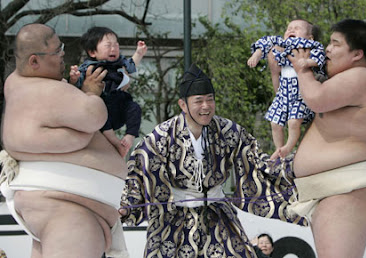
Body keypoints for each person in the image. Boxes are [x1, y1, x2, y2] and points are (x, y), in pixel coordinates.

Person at [119, 63, 307, 257]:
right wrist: (128, 206)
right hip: (174, 219)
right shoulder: (161, 136)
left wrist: (291, 166)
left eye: (210, 100)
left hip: (217, 214)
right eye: (198, 101)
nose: (206, 106)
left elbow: (256, 163)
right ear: (183, 105)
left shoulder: (228, 131)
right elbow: (140, 173)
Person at [0, 23, 129, 258]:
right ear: (34, 62)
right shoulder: (43, 90)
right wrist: (90, 92)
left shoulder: (18, 84)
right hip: (67, 210)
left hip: (53, 202)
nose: (63, 55)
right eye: (57, 50)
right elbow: (93, 115)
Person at [287, 19, 366, 257]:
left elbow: (317, 98)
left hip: (348, 189)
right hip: (336, 190)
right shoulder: (344, 81)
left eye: (336, 44)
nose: (327, 49)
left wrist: (302, 69)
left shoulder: (364, 77)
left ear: (357, 54)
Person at [247, 19, 325, 159]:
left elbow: (320, 56)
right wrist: (257, 54)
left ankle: (288, 146)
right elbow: (266, 41)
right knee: (275, 123)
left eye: (296, 28)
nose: (291, 30)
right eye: (288, 28)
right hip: (283, 94)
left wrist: (308, 62)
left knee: (293, 122)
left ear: (310, 37)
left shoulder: (311, 46)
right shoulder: (282, 44)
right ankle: (279, 150)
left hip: (300, 94)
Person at [69, 26, 148, 158]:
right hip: (104, 110)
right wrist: (74, 78)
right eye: (108, 45)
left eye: (116, 45)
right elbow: (76, 87)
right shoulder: (88, 67)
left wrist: (139, 53)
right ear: (93, 52)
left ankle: (129, 137)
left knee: (135, 108)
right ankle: (115, 142)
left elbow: (131, 65)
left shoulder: (120, 62)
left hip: (121, 104)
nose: (114, 48)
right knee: (99, 109)